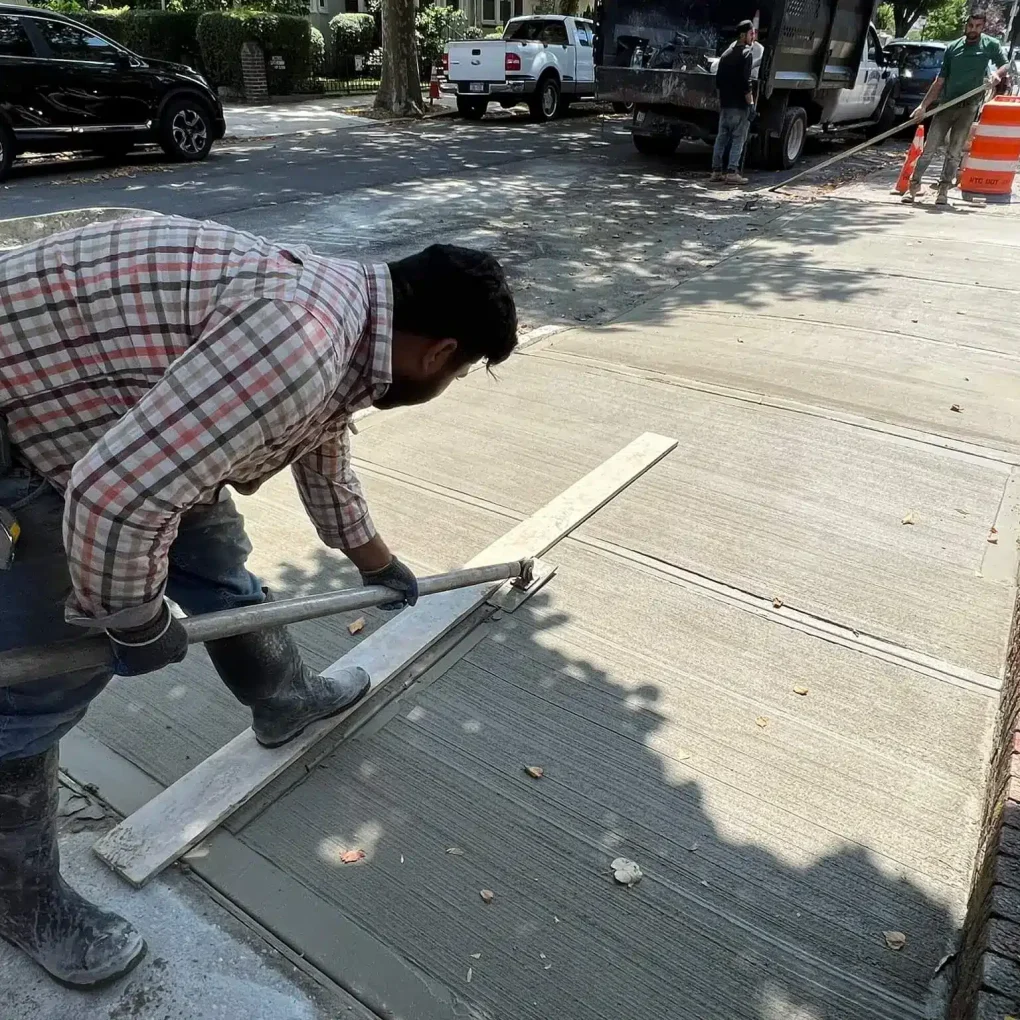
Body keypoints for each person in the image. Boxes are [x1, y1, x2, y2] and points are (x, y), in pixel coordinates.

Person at [0, 215, 517, 987]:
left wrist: (376, 559)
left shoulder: (346, 317)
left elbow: (320, 436)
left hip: (108, 413)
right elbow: (113, 499)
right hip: (25, 437)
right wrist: (136, 624)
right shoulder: (299, 341)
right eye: (458, 371)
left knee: (210, 547)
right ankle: (22, 901)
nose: (445, 384)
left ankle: (285, 697)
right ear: (438, 353)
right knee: (38, 685)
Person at [903, 9, 1010, 205]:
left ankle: (943, 190)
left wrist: (997, 75)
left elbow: (1005, 64)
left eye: (978, 26)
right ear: (966, 25)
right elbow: (940, 80)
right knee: (929, 149)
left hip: (969, 107)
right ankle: (913, 186)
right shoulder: (953, 48)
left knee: (954, 152)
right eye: (970, 26)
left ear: (983, 27)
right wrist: (923, 106)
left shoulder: (990, 45)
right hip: (946, 105)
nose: (973, 30)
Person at [711, 19, 756, 185]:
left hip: (725, 105)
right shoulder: (746, 54)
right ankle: (732, 172)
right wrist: (750, 105)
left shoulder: (725, 54)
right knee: (738, 138)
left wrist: (721, 101)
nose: (754, 37)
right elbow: (746, 83)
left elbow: (718, 82)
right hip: (739, 106)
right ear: (743, 35)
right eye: (752, 33)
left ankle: (716, 172)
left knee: (721, 138)